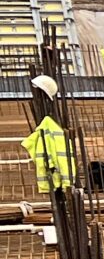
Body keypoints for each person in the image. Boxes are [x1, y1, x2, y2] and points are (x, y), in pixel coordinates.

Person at [22, 73, 73, 225]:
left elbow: (55, 154)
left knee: (62, 204)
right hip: (57, 176)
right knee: (60, 203)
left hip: (56, 175)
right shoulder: (48, 122)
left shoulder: (50, 124)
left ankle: (64, 221)